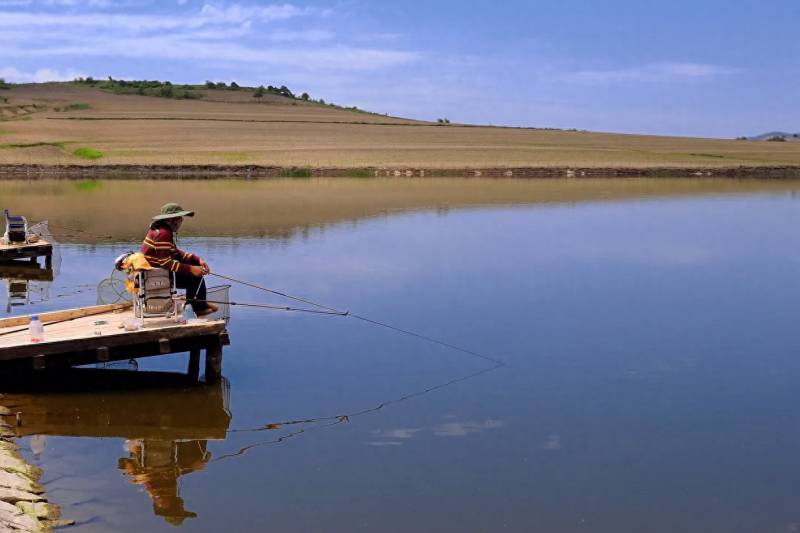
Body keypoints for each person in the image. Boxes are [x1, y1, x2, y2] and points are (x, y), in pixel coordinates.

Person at [141, 202, 217, 316]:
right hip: (157, 274)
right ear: (172, 220)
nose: (181, 221)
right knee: (194, 277)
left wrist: (197, 260)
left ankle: (200, 303)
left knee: (194, 269)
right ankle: (198, 307)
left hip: (159, 270)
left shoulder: (161, 230)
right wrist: (191, 269)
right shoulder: (163, 234)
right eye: (180, 218)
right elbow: (165, 263)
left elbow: (175, 253)